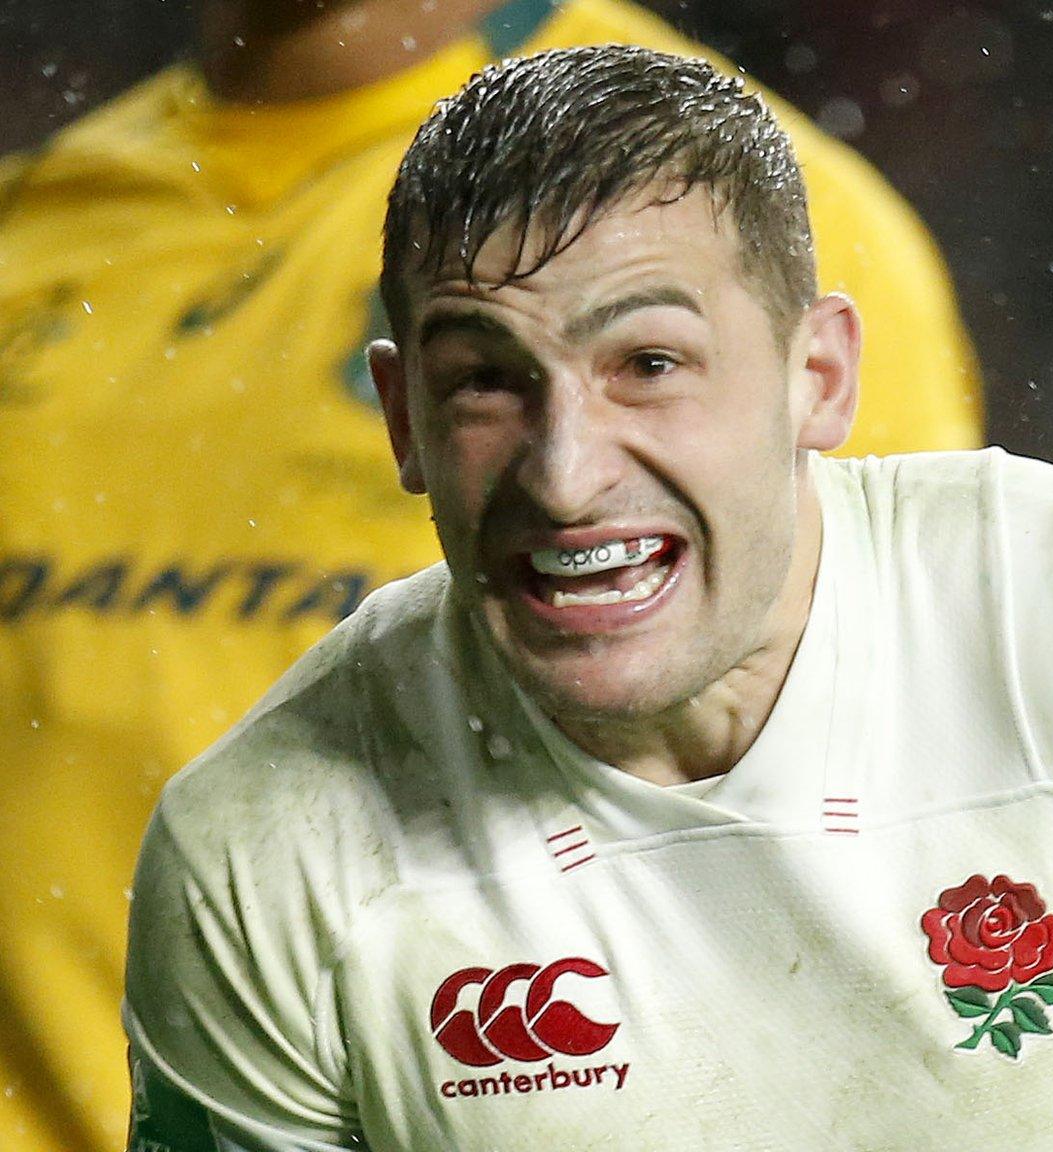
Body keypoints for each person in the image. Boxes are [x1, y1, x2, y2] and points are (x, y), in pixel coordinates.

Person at [123, 44, 1053, 1152]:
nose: (569, 473)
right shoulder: (269, 852)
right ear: (400, 418)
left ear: (819, 376)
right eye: (484, 386)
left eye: (650, 363)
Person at [0, 1, 981, 1147]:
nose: (565, 474)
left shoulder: (726, 206)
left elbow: (890, 819)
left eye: (643, 368)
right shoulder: (39, 218)